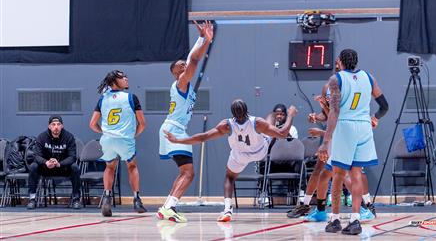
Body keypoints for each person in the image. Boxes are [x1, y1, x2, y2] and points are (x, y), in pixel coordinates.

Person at [165, 99, 298, 222]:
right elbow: (283, 134)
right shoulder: (257, 122)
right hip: (258, 152)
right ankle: (269, 134)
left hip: (239, 155)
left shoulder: (226, 125)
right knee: (272, 116)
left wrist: (179, 140)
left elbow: (203, 137)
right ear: (247, 110)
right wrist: (290, 114)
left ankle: (227, 210)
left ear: (232, 113)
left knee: (229, 177)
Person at [317, 49, 388, 235]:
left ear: (339, 61)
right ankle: (356, 220)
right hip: (364, 127)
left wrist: (325, 141)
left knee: (338, 174)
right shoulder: (369, 77)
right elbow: (385, 106)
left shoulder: (336, 79)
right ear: (356, 62)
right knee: (356, 173)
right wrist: (375, 117)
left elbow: (334, 112)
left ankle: (335, 220)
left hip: (345, 126)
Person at [157, 20, 214, 223]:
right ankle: (170, 206)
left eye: (184, 64)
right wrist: (204, 41)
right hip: (174, 129)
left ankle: (166, 207)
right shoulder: (181, 82)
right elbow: (194, 61)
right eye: (181, 65)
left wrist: (202, 39)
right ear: (176, 72)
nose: (185, 65)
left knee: (185, 172)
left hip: (173, 128)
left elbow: (192, 59)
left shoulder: (184, 83)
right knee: (189, 173)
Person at [89, 70, 147, 217]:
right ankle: (136, 199)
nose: (126, 78)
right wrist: (133, 135)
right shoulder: (131, 97)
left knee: (109, 167)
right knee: (132, 166)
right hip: (125, 139)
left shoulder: (102, 99)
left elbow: (92, 124)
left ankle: (107, 197)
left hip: (107, 140)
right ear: (114, 82)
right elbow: (143, 124)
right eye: (122, 77)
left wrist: (104, 132)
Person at [27, 115, 81, 209]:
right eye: (53, 124)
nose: (56, 127)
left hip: (62, 168)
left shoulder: (69, 137)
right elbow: (36, 156)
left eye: (58, 124)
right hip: (46, 168)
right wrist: (46, 162)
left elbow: (72, 157)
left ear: (62, 126)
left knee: (75, 167)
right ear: (49, 126)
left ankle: (76, 199)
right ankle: (32, 199)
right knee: (33, 166)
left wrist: (60, 163)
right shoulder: (42, 137)